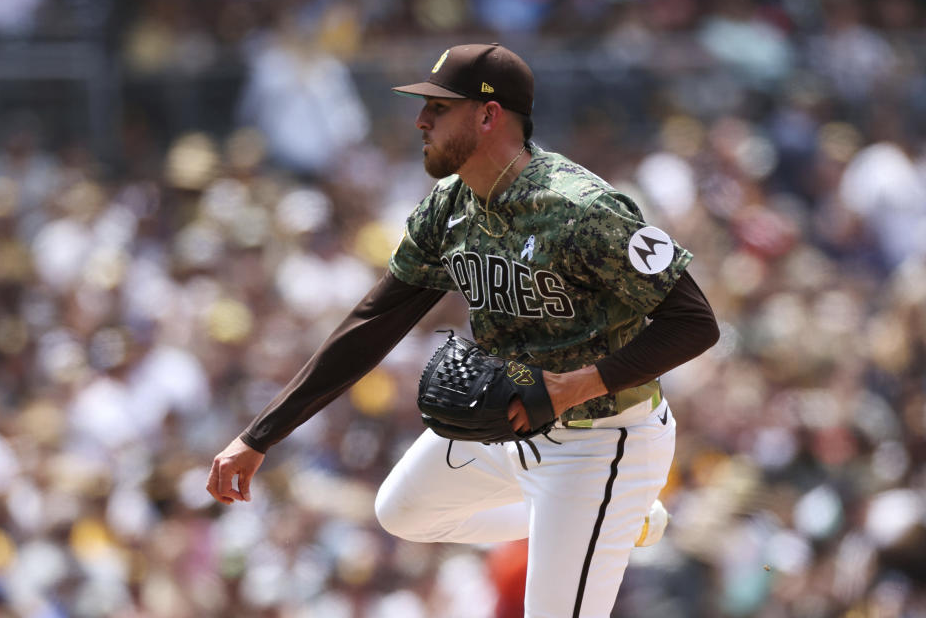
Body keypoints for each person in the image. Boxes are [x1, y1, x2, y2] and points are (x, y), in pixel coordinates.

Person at [207, 43, 720, 616]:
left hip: (602, 439)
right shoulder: (449, 206)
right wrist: (259, 436)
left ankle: (608, 509)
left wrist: (575, 385)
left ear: (488, 114)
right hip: (513, 423)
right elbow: (376, 322)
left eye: (439, 108)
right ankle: (616, 519)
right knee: (402, 511)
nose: (421, 120)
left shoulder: (583, 208)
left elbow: (695, 323)